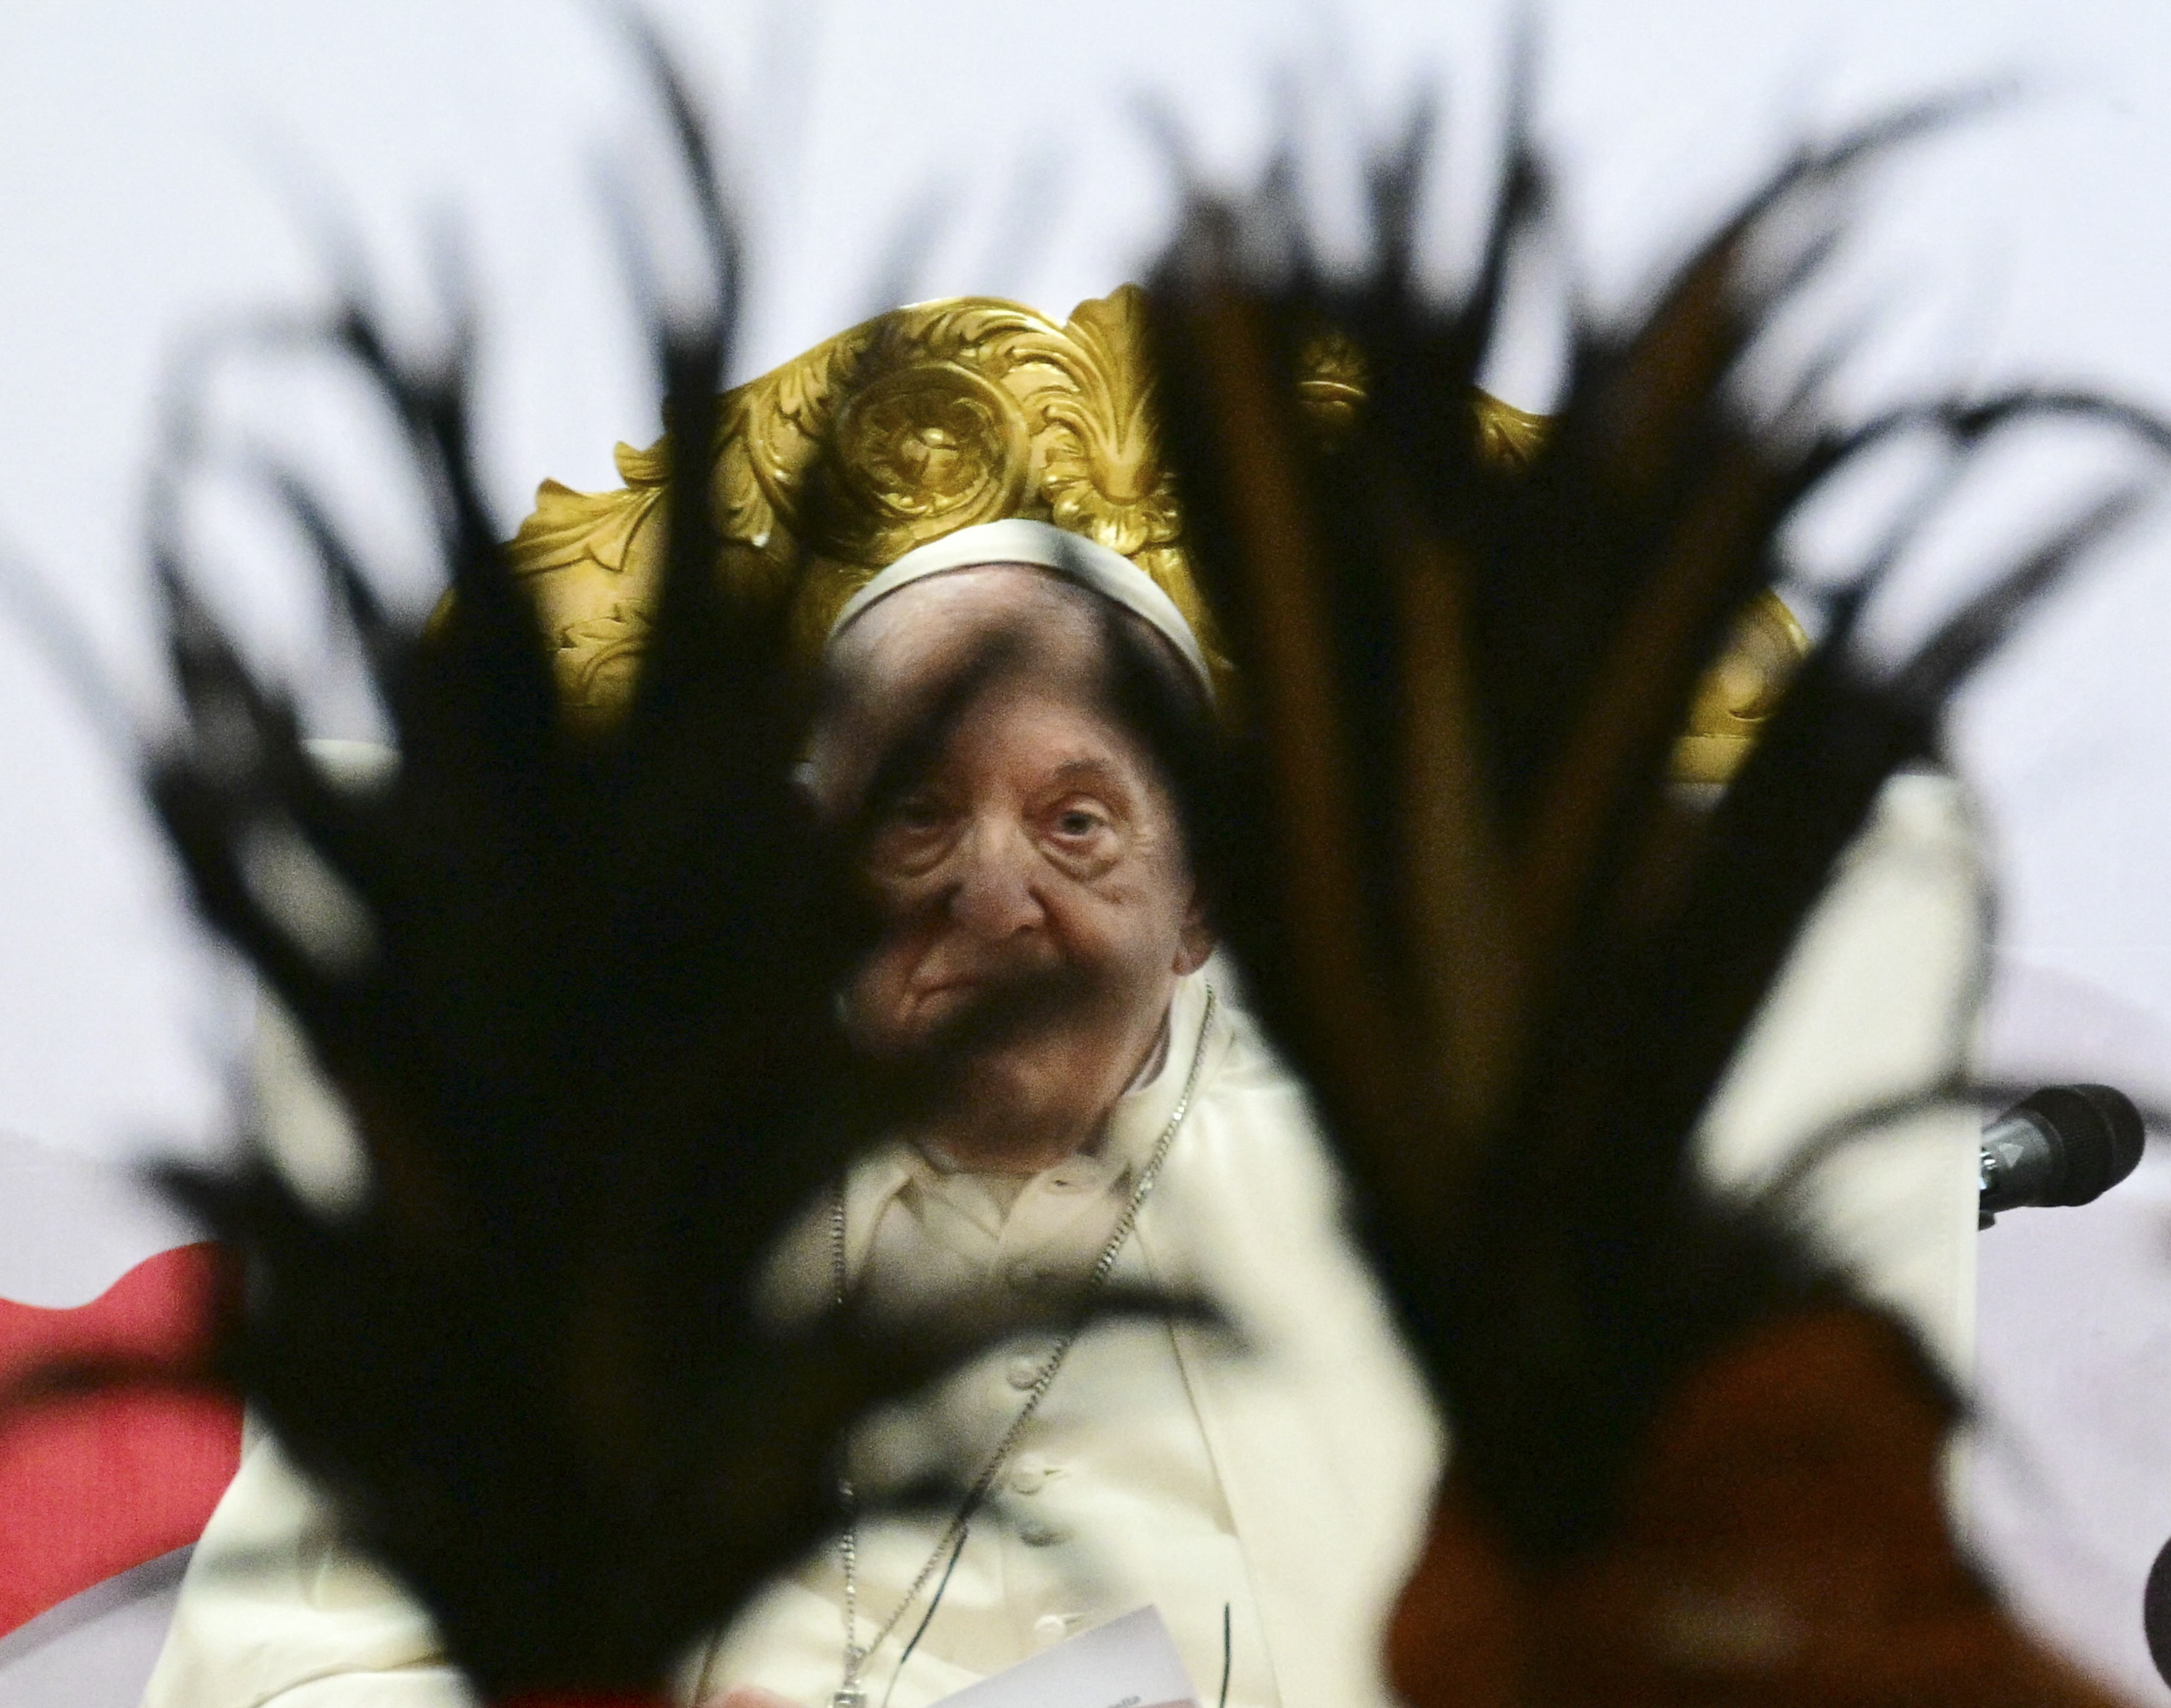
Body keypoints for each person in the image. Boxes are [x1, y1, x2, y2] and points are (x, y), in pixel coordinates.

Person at [140, 288, 1978, 1708]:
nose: (993, 890)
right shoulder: (620, 1204)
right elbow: (311, 1638)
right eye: (914, 816)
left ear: (1199, 916)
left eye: (1078, 822)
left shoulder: (1419, 1228)